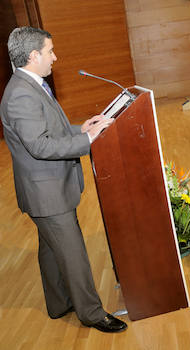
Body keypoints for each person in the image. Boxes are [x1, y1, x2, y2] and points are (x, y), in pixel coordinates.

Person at [0, 26, 125, 332]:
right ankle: (93, 314)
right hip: (47, 194)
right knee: (73, 254)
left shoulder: (31, 85)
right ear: (33, 55)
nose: (55, 57)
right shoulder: (20, 95)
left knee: (50, 249)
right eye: (50, 51)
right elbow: (40, 146)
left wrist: (80, 129)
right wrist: (89, 141)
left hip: (47, 191)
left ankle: (58, 304)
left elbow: (50, 129)